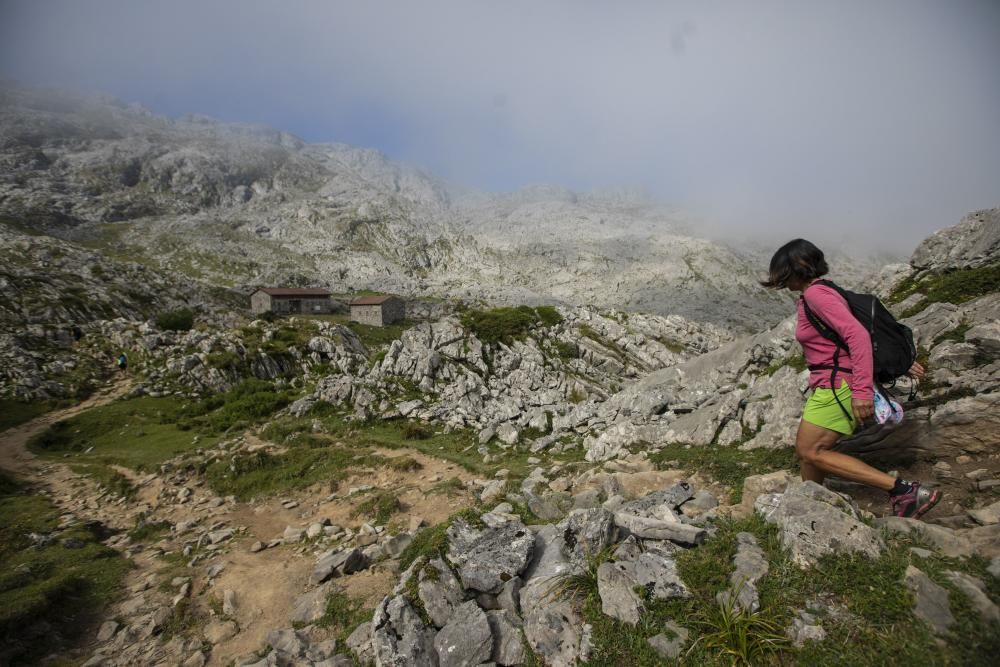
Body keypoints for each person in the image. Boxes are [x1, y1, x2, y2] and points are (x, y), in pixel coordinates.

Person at [761, 239, 940, 519]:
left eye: (783, 272)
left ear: (798, 268)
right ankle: (809, 504)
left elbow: (856, 335)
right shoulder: (820, 293)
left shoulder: (819, 295)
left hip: (839, 386)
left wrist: (861, 392)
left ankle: (904, 491)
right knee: (811, 451)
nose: (781, 280)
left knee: (811, 449)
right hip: (831, 384)